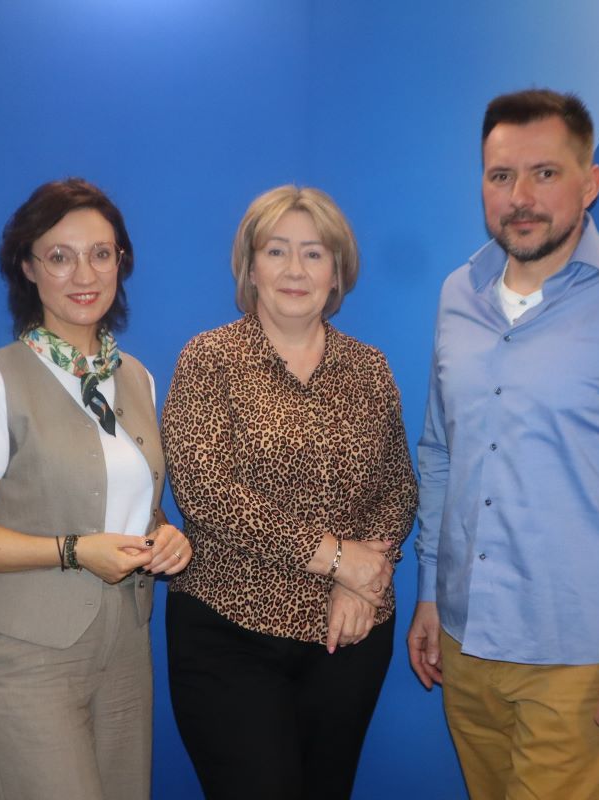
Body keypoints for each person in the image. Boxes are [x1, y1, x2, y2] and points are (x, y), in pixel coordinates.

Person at [407, 89, 599, 799]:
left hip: (579, 657)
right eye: (500, 176)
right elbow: (441, 451)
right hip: (464, 641)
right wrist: (430, 594)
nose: (520, 197)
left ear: (590, 182)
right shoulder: (459, 293)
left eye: (544, 173)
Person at [0, 178, 191, 800]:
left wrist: (165, 537)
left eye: (101, 254)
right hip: (24, 653)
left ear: (121, 262)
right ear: (27, 267)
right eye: (59, 256)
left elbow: (134, 506)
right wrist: (73, 550)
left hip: (124, 647)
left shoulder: (135, 378)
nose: (85, 274)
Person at [161, 184, 418, 800]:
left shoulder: (370, 368)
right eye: (276, 251)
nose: (295, 270)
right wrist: (338, 558)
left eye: (314, 253)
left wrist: (359, 578)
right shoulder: (209, 360)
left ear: (337, 273)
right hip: (231, 631)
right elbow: (206, 491)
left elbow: (399, 486)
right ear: (250, 268)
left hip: (349, 635)